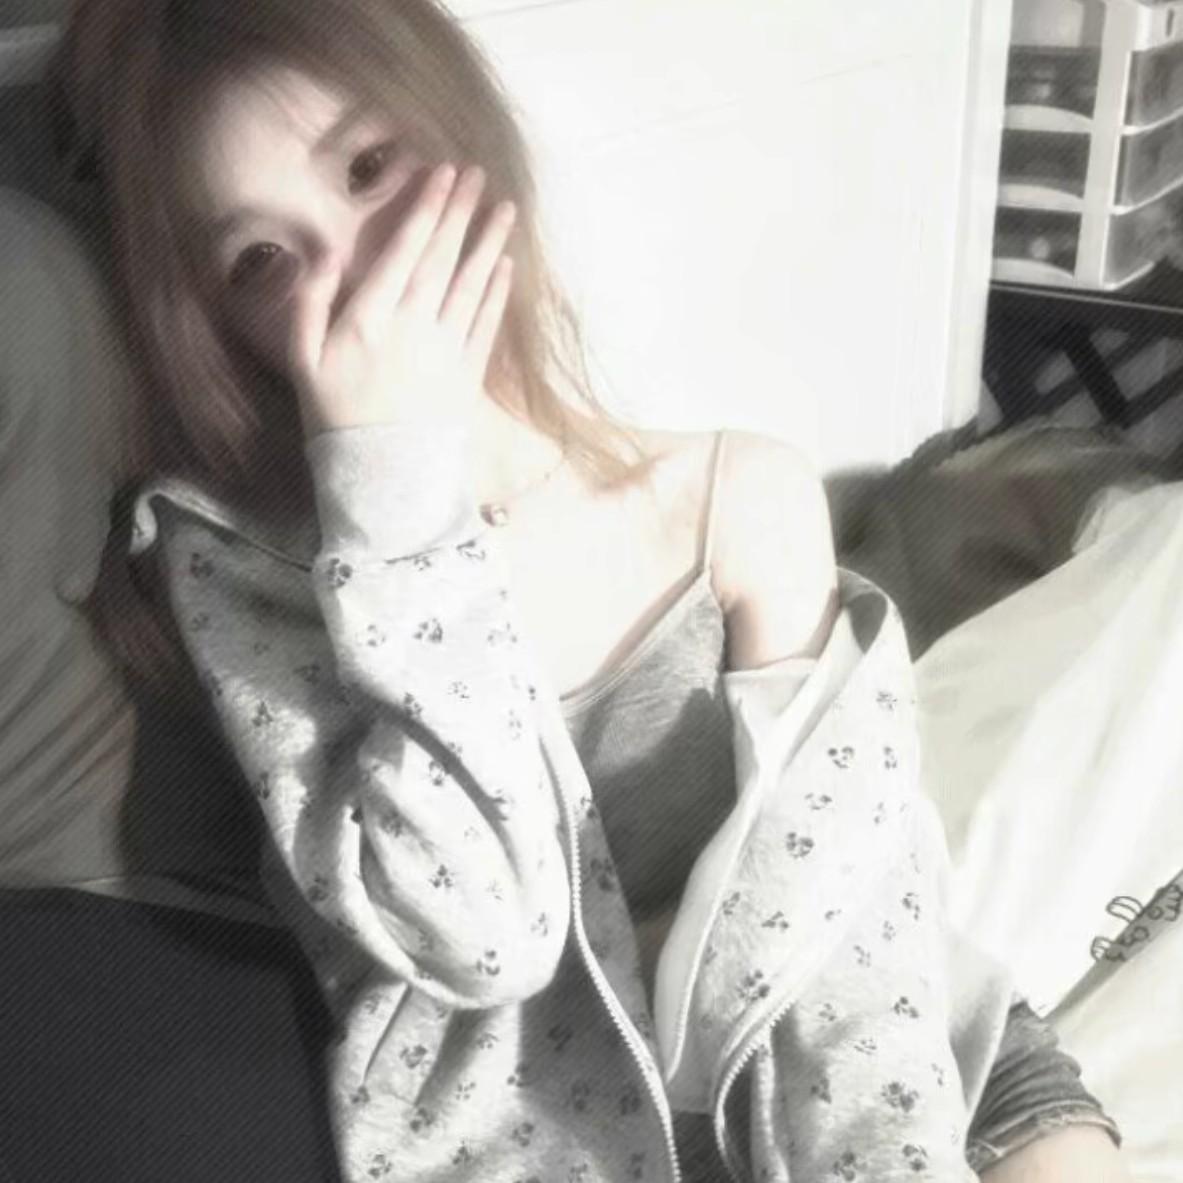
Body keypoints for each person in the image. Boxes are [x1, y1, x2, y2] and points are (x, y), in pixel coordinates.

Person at [44, 0, 1129, 1179]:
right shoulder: (248, 579)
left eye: (368, 169)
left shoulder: (737, 497)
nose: (352, 276)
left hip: (896, 1063)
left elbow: (850, 934)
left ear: (464, 140)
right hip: (551, 1132)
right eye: (261, 259)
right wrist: (395, 490)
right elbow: (478, 939)